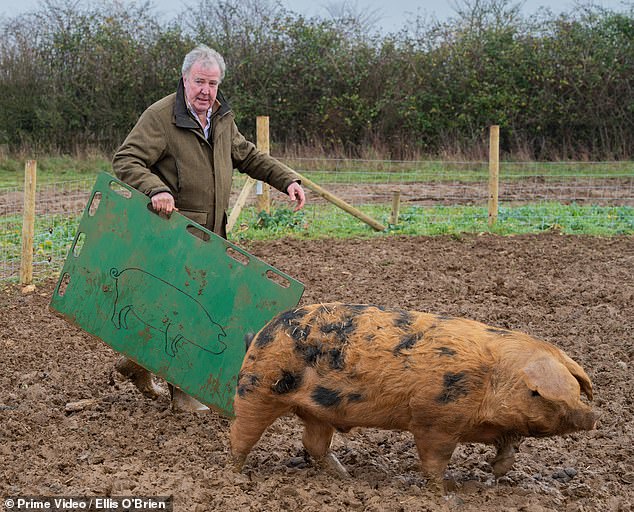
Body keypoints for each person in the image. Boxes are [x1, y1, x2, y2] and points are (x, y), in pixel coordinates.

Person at [112, 44, 306, 412]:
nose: (206, 90)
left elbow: (248, 156)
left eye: (212, 83)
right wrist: (156, 189)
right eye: (199, 81)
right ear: (185, 79)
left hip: (212, 236)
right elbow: (126, 159)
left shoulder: (220, 118)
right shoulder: (161, 117)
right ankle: (183, 392)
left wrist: (287, 180)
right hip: (175, 234)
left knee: (185, 306)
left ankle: (135, 364)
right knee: (186, 310)